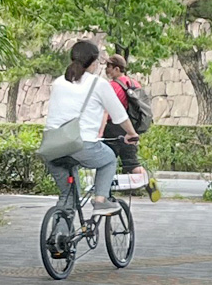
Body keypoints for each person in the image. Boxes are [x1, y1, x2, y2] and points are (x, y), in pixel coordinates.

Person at [44, 40, 139, 217]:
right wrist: (132, 134)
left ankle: (59, 239)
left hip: (51, 146)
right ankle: (100, 201)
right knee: (109, 159)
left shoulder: (58, 82)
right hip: (81, 144)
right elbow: (120, 116)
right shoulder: (99, 84)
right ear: (93, 62)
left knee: (68, 198)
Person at [101, 54, 160, 201]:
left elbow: (107, 109)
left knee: (106, 161)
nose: (106, 70)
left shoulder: (113, 86)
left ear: (117, 68)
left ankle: (104, 192)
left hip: (113, 127)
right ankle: (148, 180)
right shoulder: (134, 84)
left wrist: (100, 130)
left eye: (109, 67)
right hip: (129, 128)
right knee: (131, 162)